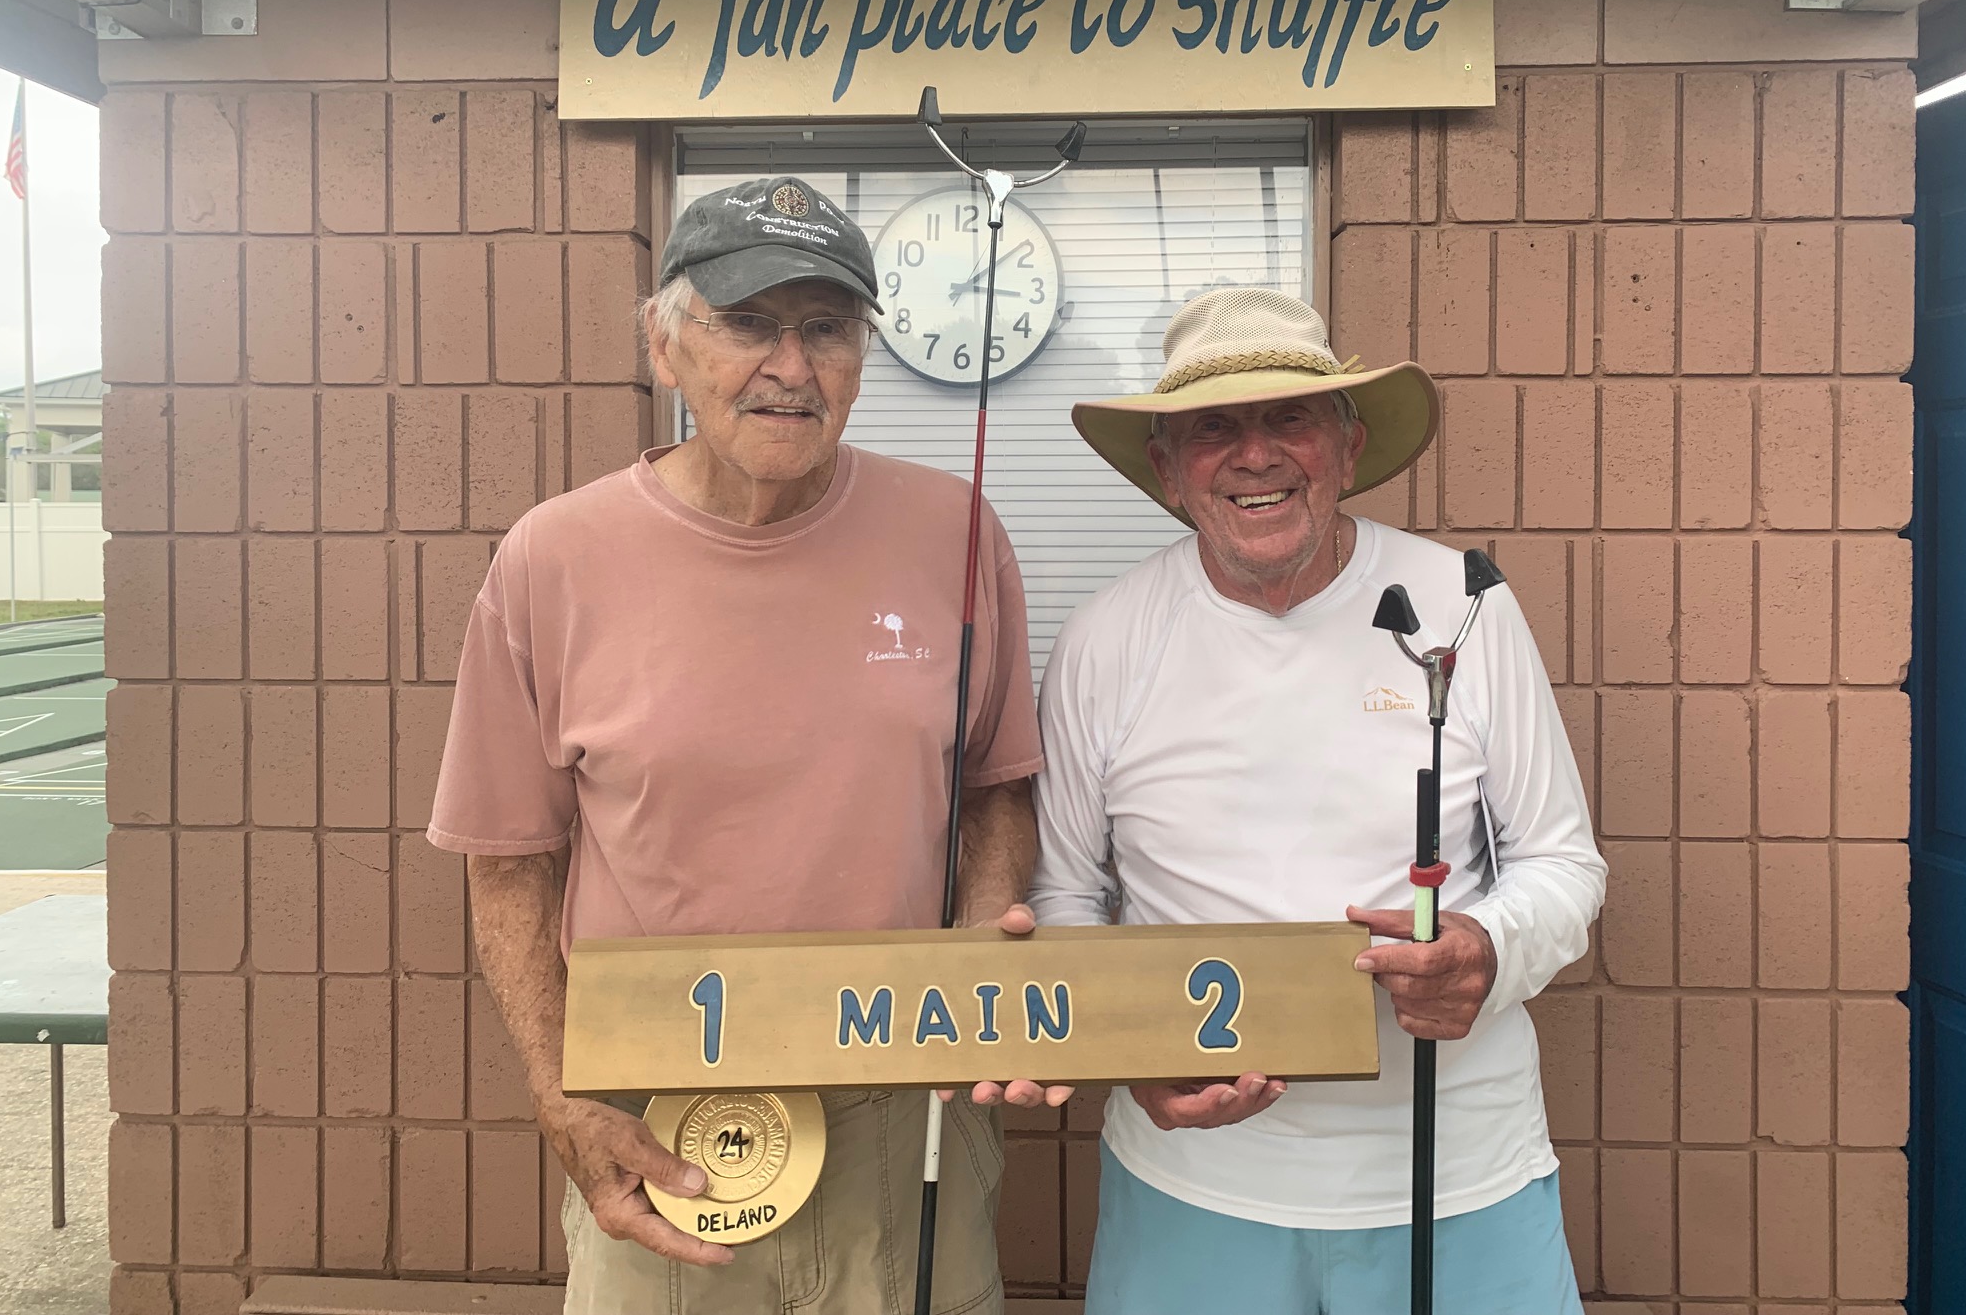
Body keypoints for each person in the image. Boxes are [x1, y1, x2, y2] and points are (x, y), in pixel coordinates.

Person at [426, 176, 1066, 1315]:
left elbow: (993, 790)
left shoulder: (956, 533)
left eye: (827, 328)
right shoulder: (552, 558)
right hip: (657, 1117)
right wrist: (563, 1097)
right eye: (746, 323)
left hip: (901, 1107)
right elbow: (508, 859)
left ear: (862, 356)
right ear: (664, 347)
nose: (791, 366)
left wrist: (980, 955)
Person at [1029, 287, 1606, 1315]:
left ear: (1348, 444)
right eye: (1214, 428)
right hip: (1191, 1194)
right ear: (1166, 470)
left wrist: (1486, 947)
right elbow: (1065, 896)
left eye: (1290, 417)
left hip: (1460, 1178)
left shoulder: (1464, 607)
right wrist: (1127, 1052)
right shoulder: (1104, 638)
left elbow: (1563, 864)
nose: (1256, 455)